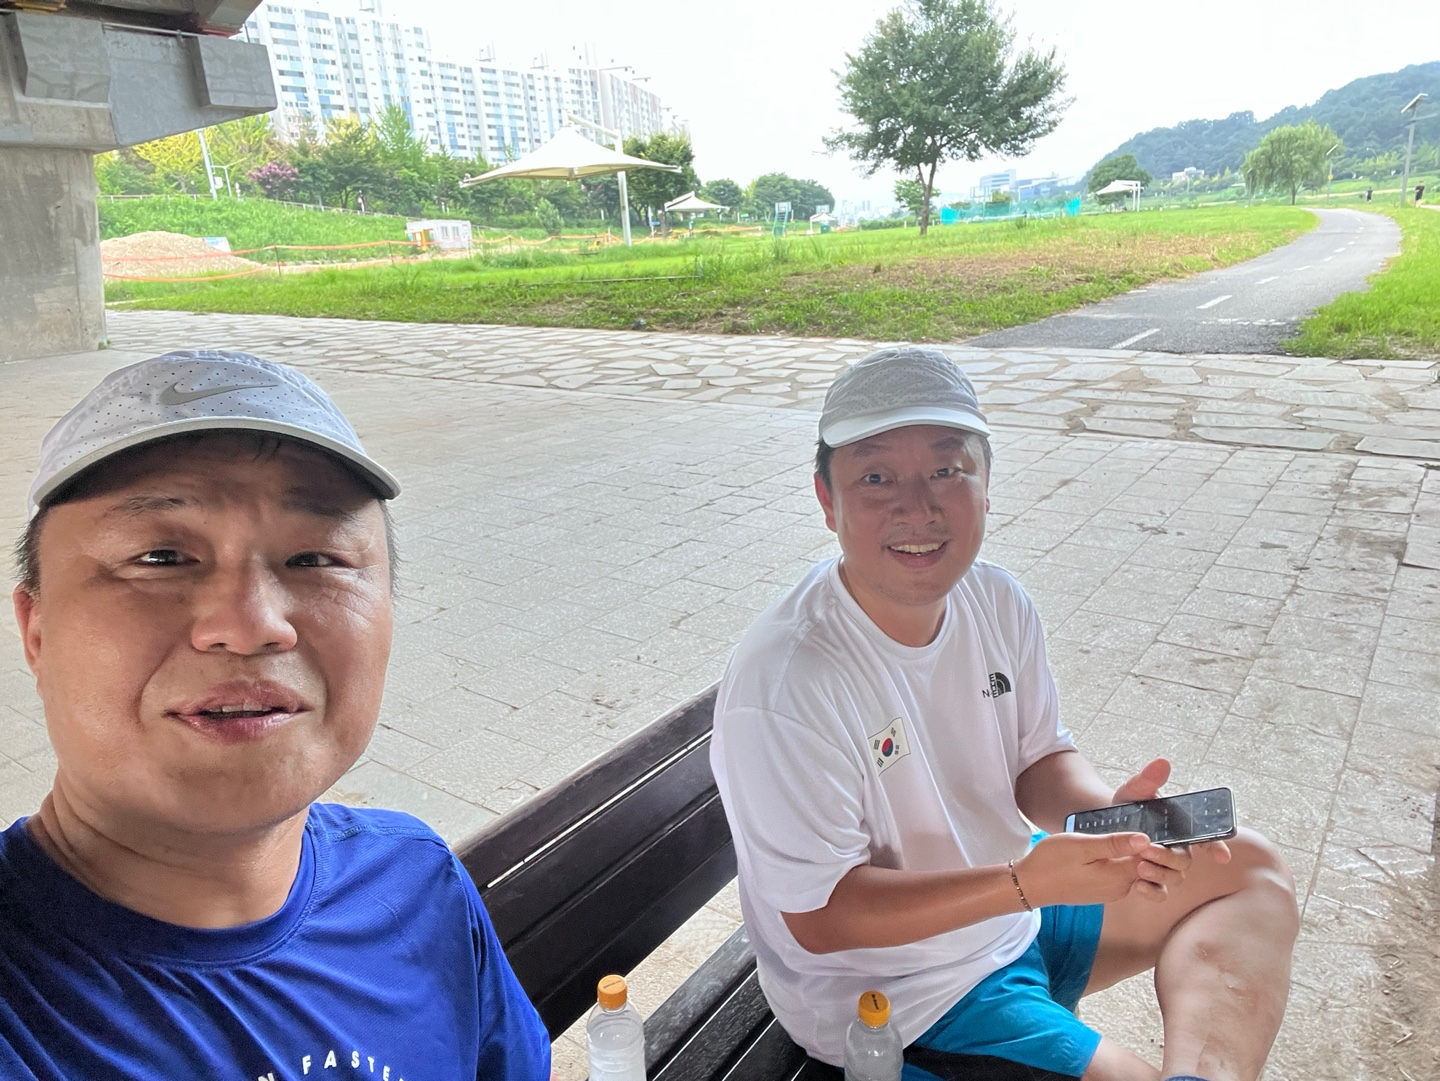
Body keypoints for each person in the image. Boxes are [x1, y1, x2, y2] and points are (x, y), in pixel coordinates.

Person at [711, 347, 1298, 1081]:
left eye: (946, 470)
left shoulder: (995, 599)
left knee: (1248, 866)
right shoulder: (790, 680)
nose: (917, 507)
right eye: (876, 477)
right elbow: (822, 917)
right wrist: (1025, 883)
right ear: (827, 501)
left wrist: (1111, 822)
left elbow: (1038, 760)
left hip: (1013, 911)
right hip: (903, 995)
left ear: (986, 486)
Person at [2, 350, 552, 1081]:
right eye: (160, 557)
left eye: (316, 559)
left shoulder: (416, 883)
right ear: (37, 632)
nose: (252, 624)